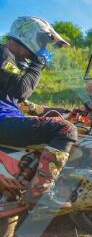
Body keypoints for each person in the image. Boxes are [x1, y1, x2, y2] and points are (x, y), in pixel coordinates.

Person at [0, 17, 77, 207]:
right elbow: (22, 90)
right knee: (65, 130)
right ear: (28, 35)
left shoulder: (13, 62)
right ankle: (40, 192)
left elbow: (22, 102)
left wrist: (63, 111)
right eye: (42, 42)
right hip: (3, 121)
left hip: (8, 120)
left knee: (12, 199)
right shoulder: (3, 54)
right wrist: (38, 63)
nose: (43, 48)